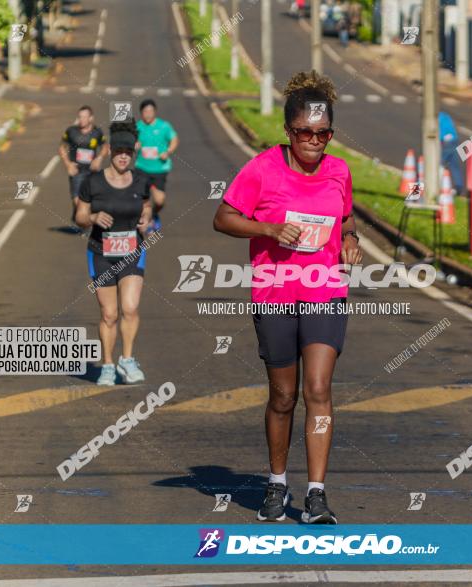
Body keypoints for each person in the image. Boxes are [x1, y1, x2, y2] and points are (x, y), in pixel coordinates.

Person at [213, 70, 362, 524]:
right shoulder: (262, 169)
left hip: (324, 292)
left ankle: (316, 494)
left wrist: (351, 240)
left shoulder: (339, 171)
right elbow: (223, 217)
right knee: (283, 395)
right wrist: (268, 228)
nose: (314, 141)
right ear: (288, 131)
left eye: (323, 133)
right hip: (275, 293)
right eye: (305, 133)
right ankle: (277, 483)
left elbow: (348, 219)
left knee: (319, 389)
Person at [75, 119, 155, 386]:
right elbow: (79, 216)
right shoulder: (92, 183)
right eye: (119, 151)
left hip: (132, 251)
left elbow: (146, 207)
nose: (123, 157)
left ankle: (128, 359)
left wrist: (147, 219)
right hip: (100, 252)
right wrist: (93, 217)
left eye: (128, 152)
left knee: (130, 308)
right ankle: (108, 364)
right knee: (109, 313)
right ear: (110, 151)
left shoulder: (141, 181)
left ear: (133, 153)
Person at [135, 99, 178, 232]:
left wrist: (168, 151)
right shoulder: (138, 126)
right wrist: (135, 144)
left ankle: (153, 214)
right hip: (141, 167)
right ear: (141, 113)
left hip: (159, 169)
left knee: (159, 200)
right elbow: (133, 141)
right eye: (145, 111)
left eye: (150, 111)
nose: (147, 114)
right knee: (143, 199)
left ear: (155, 112)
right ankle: (146, 222)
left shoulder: (164, 126)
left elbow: (174, 139)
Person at [60, 105, 108, 222]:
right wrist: (68, 164)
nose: (82, 119)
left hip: (92, 171)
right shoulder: (71, 131)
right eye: (80, 117)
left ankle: (84, 219)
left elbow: (105, 147)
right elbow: (62, 147)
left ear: (91, 118)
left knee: (91, 202)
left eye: (84, 117)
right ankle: (82, 218)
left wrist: (99, 158)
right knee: (77, 201)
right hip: (77, 171)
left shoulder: (97, 132)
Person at [439, 110, 465, 195]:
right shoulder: (446, 115)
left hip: (445, 141)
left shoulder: (435, 117)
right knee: (454, 165)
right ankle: (459, 187)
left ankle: (437, 185)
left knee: (439, 164)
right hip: (454, 140)